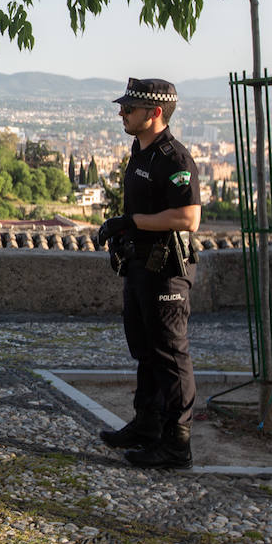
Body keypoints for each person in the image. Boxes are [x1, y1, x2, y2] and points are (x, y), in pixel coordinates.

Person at [96, 78, 202, 469]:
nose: (121, 113)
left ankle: (177, 444)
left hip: (167, 271)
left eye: (129, 108)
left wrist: (131, 221)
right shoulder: (140, 151)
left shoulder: (174, 159)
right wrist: (125, 230)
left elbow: (189, 217)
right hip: (140, 266)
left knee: (171, 356)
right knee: (145, 349)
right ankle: (147, 424)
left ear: (154, 113)